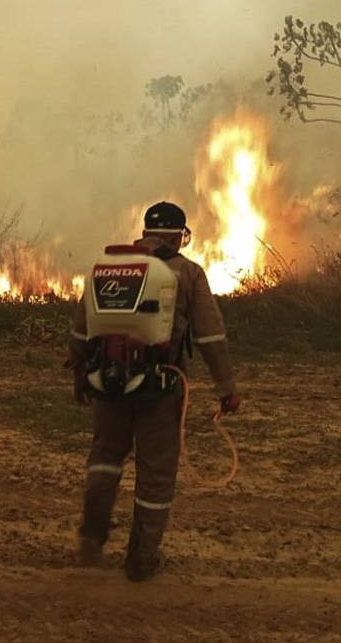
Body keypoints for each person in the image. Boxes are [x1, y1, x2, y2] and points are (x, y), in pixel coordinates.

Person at [70, 201, 239, 581]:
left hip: (107, 384)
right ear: (178, 235)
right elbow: (210, 335)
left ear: (146, 232)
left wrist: (80, 374)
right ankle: (141, 560)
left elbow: (82, 328)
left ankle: (92, 536)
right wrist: (226, 387)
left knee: (105, 457)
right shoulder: (187, 272)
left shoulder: (110, 266)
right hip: (161, 389)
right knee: (156, 474)